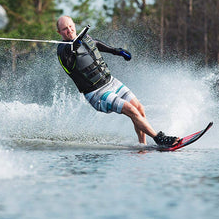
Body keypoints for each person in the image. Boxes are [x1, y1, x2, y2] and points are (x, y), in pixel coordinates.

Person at [56, 15, 179, 147]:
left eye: (70, 26)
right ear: (59, 33)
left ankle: (142, 145)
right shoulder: (62, 50)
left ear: (74, 25)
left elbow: (95, 44)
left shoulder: (85, 38)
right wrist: (74, 46)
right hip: (96, 93)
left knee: (139, 108)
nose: (69, 30)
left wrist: (116, 51)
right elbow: (69, 53)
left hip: (111, 82)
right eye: (64, 29)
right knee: (131, 109)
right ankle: (159, 139)